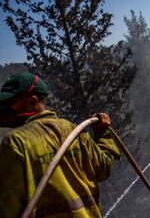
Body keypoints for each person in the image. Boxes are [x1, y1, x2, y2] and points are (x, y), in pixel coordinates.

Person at [0, 71, 120, 218]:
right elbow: (104, 168)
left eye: (8, 103)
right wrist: (102, 134)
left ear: (32, 101)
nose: (3, 110)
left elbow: (9, 208)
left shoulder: (15, 142)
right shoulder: (73, 130)